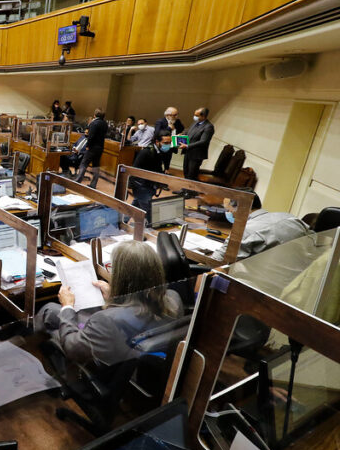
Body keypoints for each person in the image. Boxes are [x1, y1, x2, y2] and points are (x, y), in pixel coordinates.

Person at [35, 241, 182, 366]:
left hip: (106, 366)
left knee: (49, 311)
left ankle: (33, 353)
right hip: (132, 350)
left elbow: (73, 348)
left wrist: (67, 306)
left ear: (122, 278)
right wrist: (115, 297)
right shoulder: (174, 298)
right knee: (52, 311)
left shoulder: (106, 320)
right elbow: (136, 311)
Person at [211, 191, 311, 261]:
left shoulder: (244, 230)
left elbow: (218, 260)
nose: (228, 213)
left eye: (229, 210)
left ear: (243, 207)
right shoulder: (290, 217)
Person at [129, 130, 172, 223]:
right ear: (157, 142)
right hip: (142, 185)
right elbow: (134, 170)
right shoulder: (146, 152)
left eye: (169, 143)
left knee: (135, 205)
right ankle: (151, 228)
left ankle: (121, 221)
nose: (168, 145)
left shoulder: (161, 151)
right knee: (148, 211)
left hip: (150, 184)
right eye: (165, 143)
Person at [74, 108, 107, 188]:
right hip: (100, 147)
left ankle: (78, 181)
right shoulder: (105, 124)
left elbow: (91, 136)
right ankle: (93, 184)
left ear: (94, 115)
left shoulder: (94, 123)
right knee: (96, 165)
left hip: (92, 147)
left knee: (84, 163)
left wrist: (88, 146)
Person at [179, 107, 214, 181]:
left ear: (203, 116)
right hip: (188, 152)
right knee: (186, 171)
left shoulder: (209, 127)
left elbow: (204, 141)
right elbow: (188, 130)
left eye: (196, 115)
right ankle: (185, 190)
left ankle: (190, 191)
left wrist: (187, 146)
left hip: (196, 155)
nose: (194, 117)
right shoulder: (196, 122)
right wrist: (182, 134)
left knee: (192, 174)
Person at [154, 107, 183, 171]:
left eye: (177, 114)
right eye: (174, 115)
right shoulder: (160, 121)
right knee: (159, 159)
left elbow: (182, 129)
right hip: (162, 144)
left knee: (168, 157)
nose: (176, 116)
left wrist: (180, 134)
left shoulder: (177, 121)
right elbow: (157, 134)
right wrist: (169, 128)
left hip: (172, 143)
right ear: (167, 115)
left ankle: (166, 169)